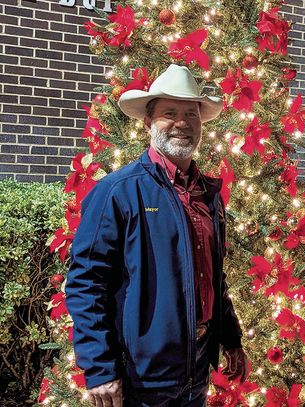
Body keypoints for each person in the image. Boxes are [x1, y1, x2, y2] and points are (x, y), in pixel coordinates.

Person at [66, 64, 247, 407]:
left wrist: (231, 336)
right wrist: (100, 368)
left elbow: (211, 277)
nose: (182, 122)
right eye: (169, 113)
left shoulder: (207, 195)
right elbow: (87, 283)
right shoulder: (118, 192)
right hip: (142, 378)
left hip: (196, 372)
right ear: (148, 122)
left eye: (191, 114)